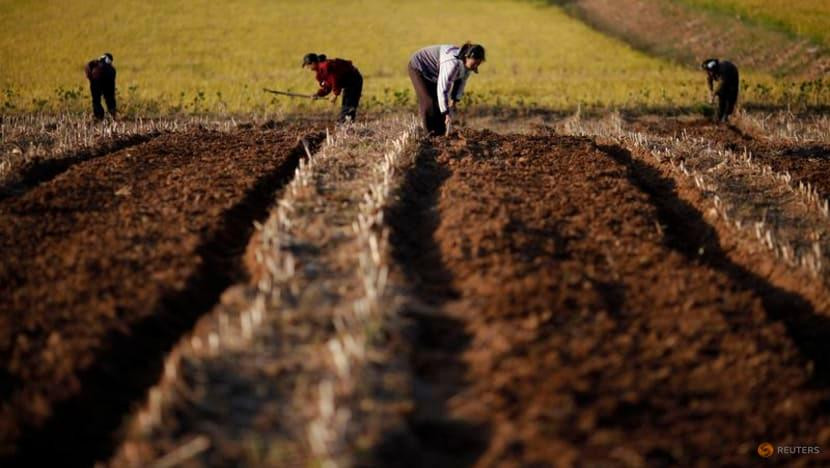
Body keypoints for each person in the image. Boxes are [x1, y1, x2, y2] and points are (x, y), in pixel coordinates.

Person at [408, 42, 485, 136]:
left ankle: (440, 135)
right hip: (419, 66)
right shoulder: (451, 64)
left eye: (478, 63)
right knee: (429, 102)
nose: (476, 66)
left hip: (435, 71)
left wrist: (454, 101)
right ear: (467, 57)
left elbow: (461, 82)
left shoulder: (467, 66)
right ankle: (429, 136)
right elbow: (443, 89)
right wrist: (446, 112)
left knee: (439, 104)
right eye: (475, 63)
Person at [303, 53, 363, 123]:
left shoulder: (325, 66)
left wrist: (335, 94)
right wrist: (318, 94)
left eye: (308, 65)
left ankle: (346, 126)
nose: (308, 68)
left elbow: (335, 78)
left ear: (313, 63)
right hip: (347, 84)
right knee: (346, 106)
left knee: (349, 106)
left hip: (354, 80)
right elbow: (327, 86)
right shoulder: (319, 74)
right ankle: (345, 125)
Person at [701, 58, 739, 123]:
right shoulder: (710, 72)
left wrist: (714, 94)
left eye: (709, 71)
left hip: (732, 78)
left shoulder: (723, 71)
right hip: (724, 80)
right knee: (721, 98)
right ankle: (719, 117)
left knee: (730, 98)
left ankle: (726, 116)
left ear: (713, 69)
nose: (708, 73)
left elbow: (722, 84)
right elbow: (709, 81)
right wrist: (710, 92)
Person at [85, 53, 117, 120]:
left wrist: (91, 79)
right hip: (108, 84)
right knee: (110, 98)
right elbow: (112, 87)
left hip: (95, 82)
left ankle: (99, 116)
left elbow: (87, 70)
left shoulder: (93, 64)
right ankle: (112, 113)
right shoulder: (112, 69)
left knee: (96, 100)